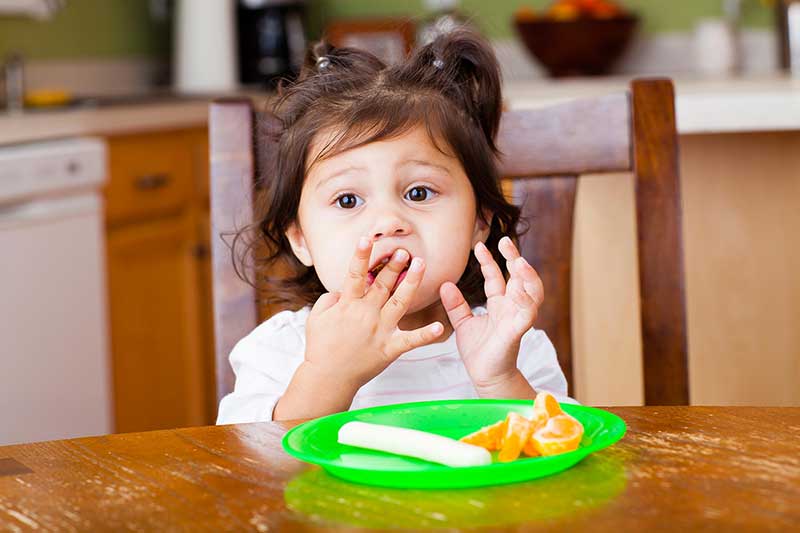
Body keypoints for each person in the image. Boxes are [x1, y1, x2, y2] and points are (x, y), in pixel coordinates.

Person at [216, 28, 572, 424]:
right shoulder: (280, 349)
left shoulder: (509, 342)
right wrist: (328, 377)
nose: (388, 222)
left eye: (419, 193)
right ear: (301, 239)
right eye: (348, 200)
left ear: (479, 222)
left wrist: (500, 379)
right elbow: (247, 468)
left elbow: (559, 446)